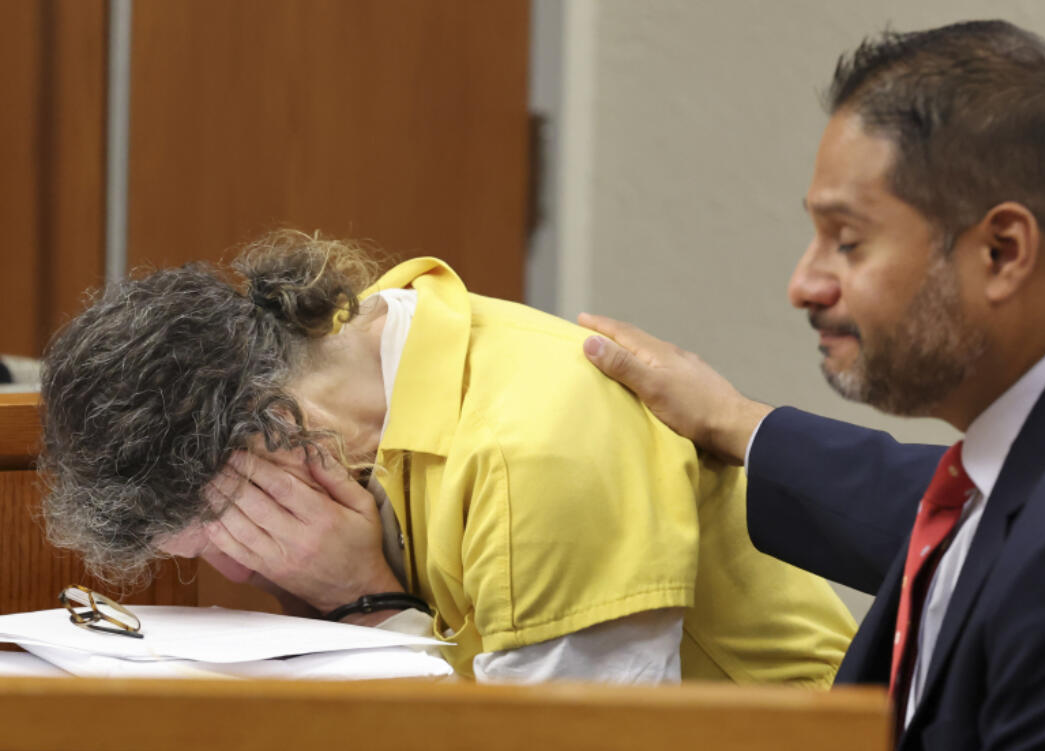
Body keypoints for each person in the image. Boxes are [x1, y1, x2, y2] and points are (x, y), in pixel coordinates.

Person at [579, 19, 1045, 751]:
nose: (803, 283)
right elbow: (968, 517)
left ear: (1002, 252)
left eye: (846, 242)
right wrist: (739, 423)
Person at [38, 230, 855, 685]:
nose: (240, 572)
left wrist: (364, 600)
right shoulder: (374, 351)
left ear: (268, 432)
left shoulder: (532, 446)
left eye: (222, 533)